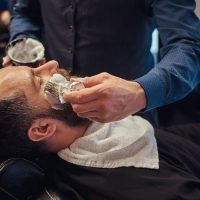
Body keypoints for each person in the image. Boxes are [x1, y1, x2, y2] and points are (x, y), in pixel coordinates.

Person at [0, 61, 200, 199]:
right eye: (39, 80)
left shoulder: (98, 128)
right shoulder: (130, 186)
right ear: (43, 128)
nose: (51, 64)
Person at [3, 0, 200, 126]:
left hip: (128, 118)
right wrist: (24, 44)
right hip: (56, 119)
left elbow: (188, 47)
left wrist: (141, 92)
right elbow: (25, 11)